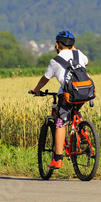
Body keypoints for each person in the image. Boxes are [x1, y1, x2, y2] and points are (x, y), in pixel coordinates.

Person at [29, 31, 89, 169]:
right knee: (75, 110)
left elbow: (45, 78)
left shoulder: (55, 61)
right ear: (72, 45)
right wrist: (73, 49)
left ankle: (57, 159)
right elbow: (87, 62)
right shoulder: (79, 54)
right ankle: (83, 132)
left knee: (61, 123)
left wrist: (37, 89)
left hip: (68, 94)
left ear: (57, 45)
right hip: (85, 91)